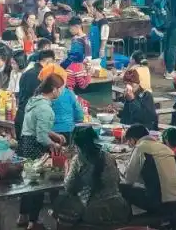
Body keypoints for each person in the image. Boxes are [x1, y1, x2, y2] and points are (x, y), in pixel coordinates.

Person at [17, 72, 67, 229]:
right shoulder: (46, 109)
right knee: (38, 186)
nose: (62, 91)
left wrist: (54, 134)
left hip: (25, 143)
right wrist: (56, 145)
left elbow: (37, 127)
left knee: (28, 183)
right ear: (54, 89)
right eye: (61, 88)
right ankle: (33, 222)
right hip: (35, 148)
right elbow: (41, 137)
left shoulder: (34, 101)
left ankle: (22, 216)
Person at [53, 126, 130, 228]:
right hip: (120, 208)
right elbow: (117, 180)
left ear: (77, 145)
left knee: (59, 203)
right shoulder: (108, 156)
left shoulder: (78, 160)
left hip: (96, 212)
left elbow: (68, 187)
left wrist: (67, 167)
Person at [120, 124, 176, 213]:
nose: (129, 144)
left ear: (133, 139)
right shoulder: (165, 148)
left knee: (122, 188)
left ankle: (129, 222)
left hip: (158, 203)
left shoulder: (141, 147)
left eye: (129, 141)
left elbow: (129, 179)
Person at [16, 50, 56, 135]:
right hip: (32, 121)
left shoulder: (25, 73)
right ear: (49, 62)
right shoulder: (44, 77)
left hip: (20, 116)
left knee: (22, 146)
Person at [47, 65, 84, 141]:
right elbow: (77, 109)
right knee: (66, 151)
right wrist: (79, 119)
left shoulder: (45, 94)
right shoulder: (69, 93)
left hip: (50, 131)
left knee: (51, 151)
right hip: (67, 129)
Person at [62, 17, 92, 89]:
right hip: (71, 66)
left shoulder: (85, 40)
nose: (70, 30)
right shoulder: (74, 38)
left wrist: (85, 70)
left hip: (80, 68)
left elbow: (88, 57)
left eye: (71, 28)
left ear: (77, 27)